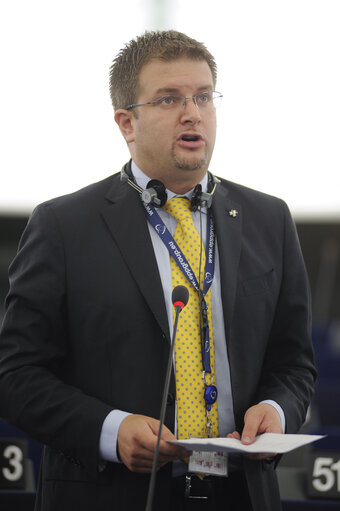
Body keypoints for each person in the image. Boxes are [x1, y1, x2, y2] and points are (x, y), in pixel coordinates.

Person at [0, 30, 316, 511]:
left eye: (204, 96)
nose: (193, 112)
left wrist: (277, 410)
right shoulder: (64, 225)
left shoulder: (269, 219)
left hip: (242, 494)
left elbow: (293, 363)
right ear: (127, 123)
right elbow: (16, 374)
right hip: (112, 494)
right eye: (169, 99)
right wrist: (109, 429)